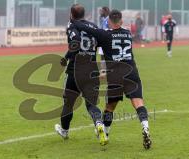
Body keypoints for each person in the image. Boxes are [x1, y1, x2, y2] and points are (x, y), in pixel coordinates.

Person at [72, 9, 152, 149]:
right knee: (138, 102)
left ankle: (106, 133)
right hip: (131, 71)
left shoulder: (105, 35)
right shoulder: (128, 34)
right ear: (121, 21)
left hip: (115, 74)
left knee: (110, 107)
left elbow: (85, 29)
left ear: (109, 21)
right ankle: (145, 127)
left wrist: (73, 21)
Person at [55, 4, 108, 146]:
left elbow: (76, 42)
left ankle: (65, 130)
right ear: (84, 14)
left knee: (68, 103)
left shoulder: (72, 25)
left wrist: (66, 58)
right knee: (91, 105)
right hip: (91, 69)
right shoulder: (94, 26)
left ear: (71, 14)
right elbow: (102, 43)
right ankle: (99, 124)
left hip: (75, 70)